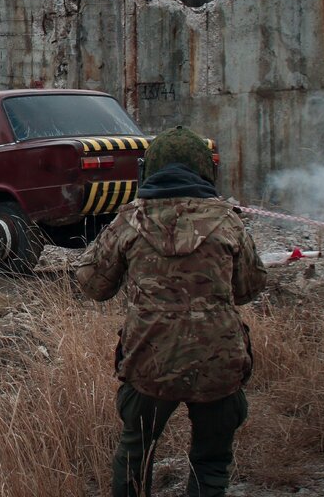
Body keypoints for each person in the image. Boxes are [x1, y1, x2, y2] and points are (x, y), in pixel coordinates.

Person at [75, 126, 267, 497]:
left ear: (150, 170)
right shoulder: (228, 220)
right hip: (218, 363)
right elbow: (249, 290)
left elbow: (93, 286)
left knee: (136, 456)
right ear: (204, 171)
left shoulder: (130, 219)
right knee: (211, 463)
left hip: (149, 361)